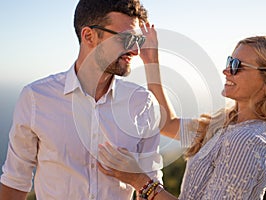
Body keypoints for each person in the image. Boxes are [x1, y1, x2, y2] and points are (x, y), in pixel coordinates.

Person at [97, 24, 266, 200]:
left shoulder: (249, 140)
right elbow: (167, 124)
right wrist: (151, 61)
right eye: (229, 62)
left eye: (237, 66)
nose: (226, 71)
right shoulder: (225, 123)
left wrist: (139, 180)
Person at [0, 0, 164, 199]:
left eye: (138, 41)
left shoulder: (143, 103)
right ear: (88, 36)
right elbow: (15, 182)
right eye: (126, 39)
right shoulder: (35, 98)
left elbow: (151, 186)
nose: (136, 51)